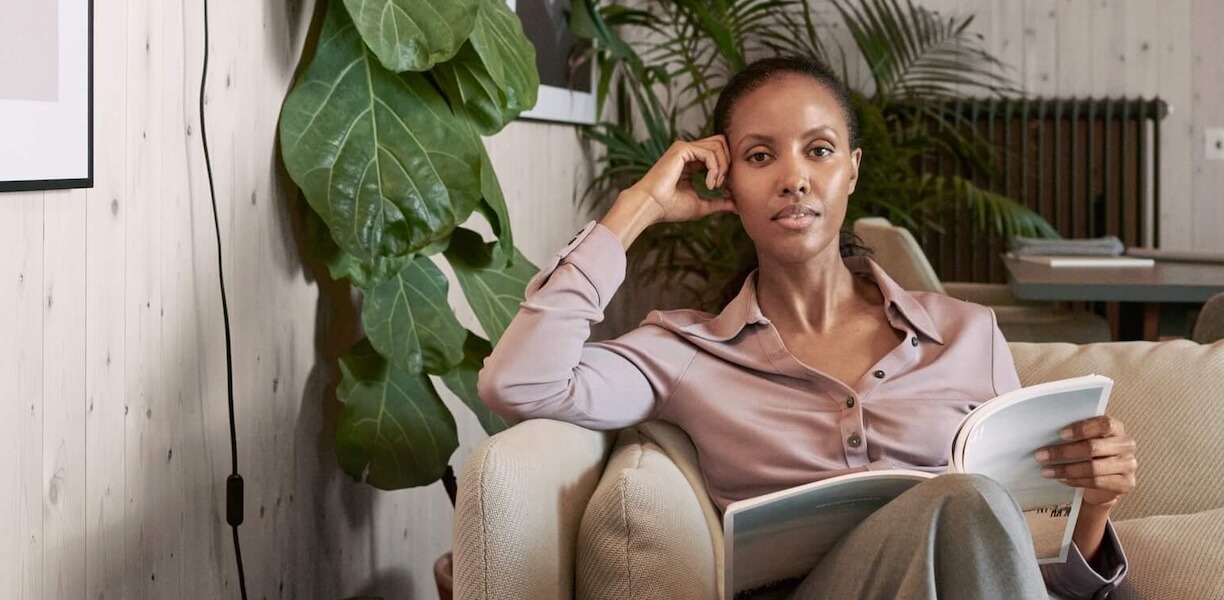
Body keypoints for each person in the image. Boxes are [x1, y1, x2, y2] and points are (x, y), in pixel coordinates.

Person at [478, 56, 1136, 599]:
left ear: (850, 169)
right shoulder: (683, 349)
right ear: (727, 182)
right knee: (963, 502)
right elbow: (519, 382)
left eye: (818, 150)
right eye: (760, 156)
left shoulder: (966, 335)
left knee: (972, 508)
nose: (793, 178)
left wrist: (1093, 507)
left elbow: (1022, 570)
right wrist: (638, 207)